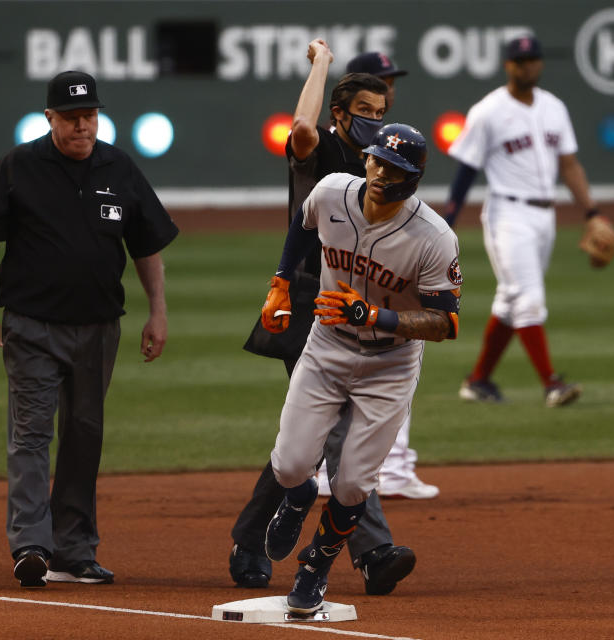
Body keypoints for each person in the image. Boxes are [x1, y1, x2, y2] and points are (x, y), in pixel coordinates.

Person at [0, 70, 178, 588]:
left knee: (84, 437)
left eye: (90, 116)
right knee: (32, 434)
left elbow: (146, 247)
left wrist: (158, 310)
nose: (83, 127)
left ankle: (75, 550)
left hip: (99, 327)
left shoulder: (118, 166)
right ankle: (32, 545)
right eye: (72, 118)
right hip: (33, 325)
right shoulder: (19, 166)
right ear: (50, 119)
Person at [232, 39, 416, 597]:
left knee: (315, 441)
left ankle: (250, 535)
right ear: (341, 113)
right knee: (337, 430)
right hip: (308, 297)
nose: (373, 123)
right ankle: (371, 551)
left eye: (380, 114)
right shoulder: (318, 152)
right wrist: (322, 65)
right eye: (364, 112)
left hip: (354, 304)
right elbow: (302, 124)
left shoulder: (380, 165)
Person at [262, 123, 462, 614]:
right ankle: (297, 498)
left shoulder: (434, 238)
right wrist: (282, 281)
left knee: (352, 485)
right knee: (289, 466)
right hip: (326, 348)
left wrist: (376, 316)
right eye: (375, 160)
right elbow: (302, 224)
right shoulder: (333, 190)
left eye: (392, 168)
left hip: (389, 366)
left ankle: (316, 568)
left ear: (412, 178)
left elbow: (445, 322)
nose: (378, 172)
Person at [445, 35, 598, 408]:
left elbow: (570, 165)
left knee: (510, 303)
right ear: (508, 65)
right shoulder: (488, 111)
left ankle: (478, 380)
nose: (529, 65)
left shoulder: (554, 108)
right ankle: (551, 384)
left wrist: (592, 212)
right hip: (507, 215)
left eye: (534, 59)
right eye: (521, 60)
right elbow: (467, 168)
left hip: (546, 216)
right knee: (528, 299)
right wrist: (448, 219)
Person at [324, 50, 438, 501]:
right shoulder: (348, 152)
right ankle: (383, 470)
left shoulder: (385, 148)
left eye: (390, 81)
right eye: (382, 80)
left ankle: (383, 466)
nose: (390, 87)